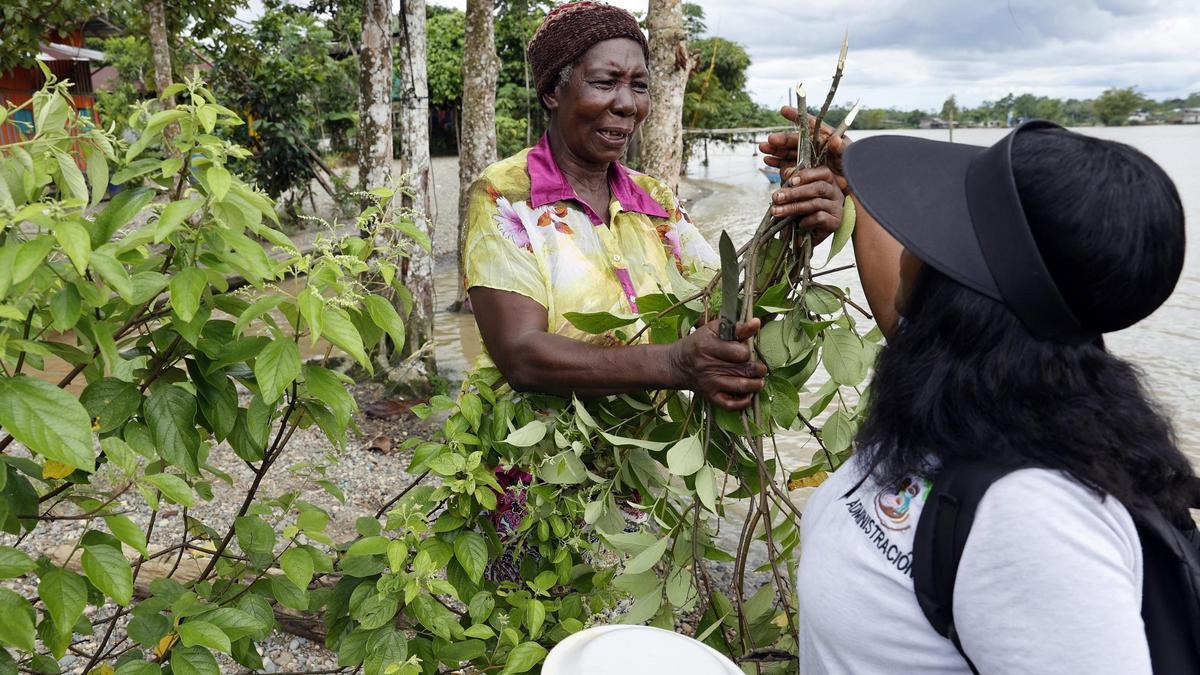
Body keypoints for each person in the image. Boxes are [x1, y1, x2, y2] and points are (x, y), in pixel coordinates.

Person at [759, 115, 1197, 673]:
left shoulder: (1034, 520)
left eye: (943, 220)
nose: (918, 228)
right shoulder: (987, 389)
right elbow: (903, 304)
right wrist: (858, 186)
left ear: (967, 285)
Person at [462, 1, 845, 411]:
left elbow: (718, 310)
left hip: (643, 463)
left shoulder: (655, 200)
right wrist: (675, 362)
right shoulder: (507, 194)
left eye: (639, 86)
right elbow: (521, 357)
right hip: (533, 468)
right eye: (605, 82)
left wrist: (798, 231)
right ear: (554, 91)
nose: (628, 104)